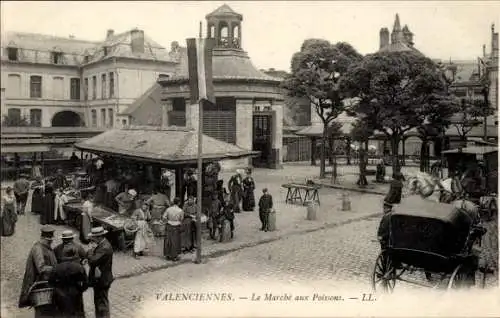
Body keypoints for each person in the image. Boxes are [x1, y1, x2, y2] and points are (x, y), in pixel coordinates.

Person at [18, 226, 58, 317]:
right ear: (44, 238)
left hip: (46, 285)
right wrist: (56, 269)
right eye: (49, 240)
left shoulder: (46, 247)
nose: (51, 242)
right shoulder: (38, 249)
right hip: (40, 287)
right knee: (42, 313)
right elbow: (41, 268)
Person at [49, 246, 88, 318]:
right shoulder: (79, 267)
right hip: (75, 294)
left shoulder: (56, 267)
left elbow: (50, 282)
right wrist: (80, 290)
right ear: (74, 254)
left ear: (63, 254)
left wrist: (57, 290)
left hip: (60, 295)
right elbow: (85, 283)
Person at [87, 226, 114, 318]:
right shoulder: (102, 244)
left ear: (99, 237)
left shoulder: (104, 248)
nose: (92, 240)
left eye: (93, 238)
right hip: (100, 279)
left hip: (102, 280)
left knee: (102, 304)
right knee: (99, 302)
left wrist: (90, 250)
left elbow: (92, 261)